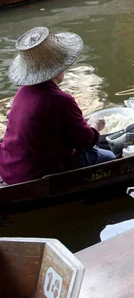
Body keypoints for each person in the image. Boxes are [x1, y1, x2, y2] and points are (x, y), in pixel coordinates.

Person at [0, 27, 115, 186]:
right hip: (34, 174)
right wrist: (95, 125)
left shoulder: (22, 92)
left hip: (8, 167)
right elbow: (86, 141)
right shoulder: (60, 99)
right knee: (109, 157)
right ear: (57, 69)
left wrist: (79, 123)